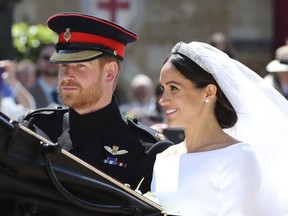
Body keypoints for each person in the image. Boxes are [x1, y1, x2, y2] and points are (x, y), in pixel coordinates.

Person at [20, 12, 172, 194]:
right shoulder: (34, 129)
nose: (67, 75)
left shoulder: (147, 150)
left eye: (79, 66)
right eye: (63, 65)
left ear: (110, 72)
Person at [151, 41, 288, 215]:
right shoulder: (164, 158)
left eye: (173, 88)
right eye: (163, 89)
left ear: (208, 92)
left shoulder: (238, 156)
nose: (163, 100)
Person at [28, 43, 62, 108]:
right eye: (46, 58)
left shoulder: (76, 92)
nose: (51, 61)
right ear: (37, 61)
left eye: (56, 57)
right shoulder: (27, 94)